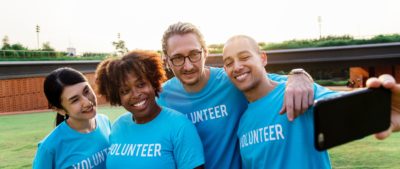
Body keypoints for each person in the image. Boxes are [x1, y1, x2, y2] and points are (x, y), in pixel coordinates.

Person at [222, 34, 400, 169]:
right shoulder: (243, 124)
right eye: (229, 63)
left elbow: (346, 108)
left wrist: (384, 106)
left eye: (244, 57)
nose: (237, 66)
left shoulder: (298, 91)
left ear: (262, 58)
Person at [158, 22, 314, 169]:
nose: (188, 65)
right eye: (178, 58)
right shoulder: (161, 98)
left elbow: (268, 80)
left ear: (205, 53)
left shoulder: (231, 81)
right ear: (166, 61)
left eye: (194, 54)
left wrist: (298, 75)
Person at [95, 50, 205, 169]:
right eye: (125, 91)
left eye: (141, 84)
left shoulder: (180, 127)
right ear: (117, 96)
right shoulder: (118, 126)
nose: (136, 94)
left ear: (153, 83)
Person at [32, 67, 111, 169]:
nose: (87, 102)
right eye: (75, 100)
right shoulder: (48, 148)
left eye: (86, 91)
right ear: (60, 110)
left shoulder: (105, 121)